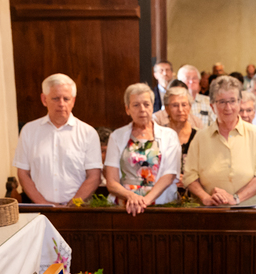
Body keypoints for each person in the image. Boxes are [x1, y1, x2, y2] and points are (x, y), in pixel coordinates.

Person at [13, 73, 102, 205]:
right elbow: (23, 173)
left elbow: (94, 176)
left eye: (66, 99)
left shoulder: (88, 133)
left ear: (73, 101)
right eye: (55, 98)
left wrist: (72, 204)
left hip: (78, 209)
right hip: (41, 209)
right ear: (44, 99)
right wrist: (45, 205)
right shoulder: (29, 131)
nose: (61, 104)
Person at [183, 75, 256, 206]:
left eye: (232, 101)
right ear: (212, 106)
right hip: (213, 210)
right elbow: (189, 177)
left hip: (252, 210)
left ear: (240, 103)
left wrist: (236, 198)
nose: (228, 107)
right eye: (222, 102)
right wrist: (205, 197)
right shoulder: (200, 138)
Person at [103, 83, 181, 215]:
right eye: (136, 105)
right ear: (127, 109)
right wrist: (132, 197)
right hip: (125, 206)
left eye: (146, 104)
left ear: (152, 106)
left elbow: (169, 175)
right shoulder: (116, 136)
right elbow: (111, 182)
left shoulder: (169, 136)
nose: (142, 109)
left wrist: (144, 201)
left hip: (161, 205)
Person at [163, 86, 198, 185]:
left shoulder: (199, 136)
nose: (180, 109)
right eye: (175, 105)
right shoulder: (159, 135)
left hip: (193, 189)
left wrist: (188, 180)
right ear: (166, 109)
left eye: (184, 105)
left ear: (190, 107)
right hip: (164, 189)